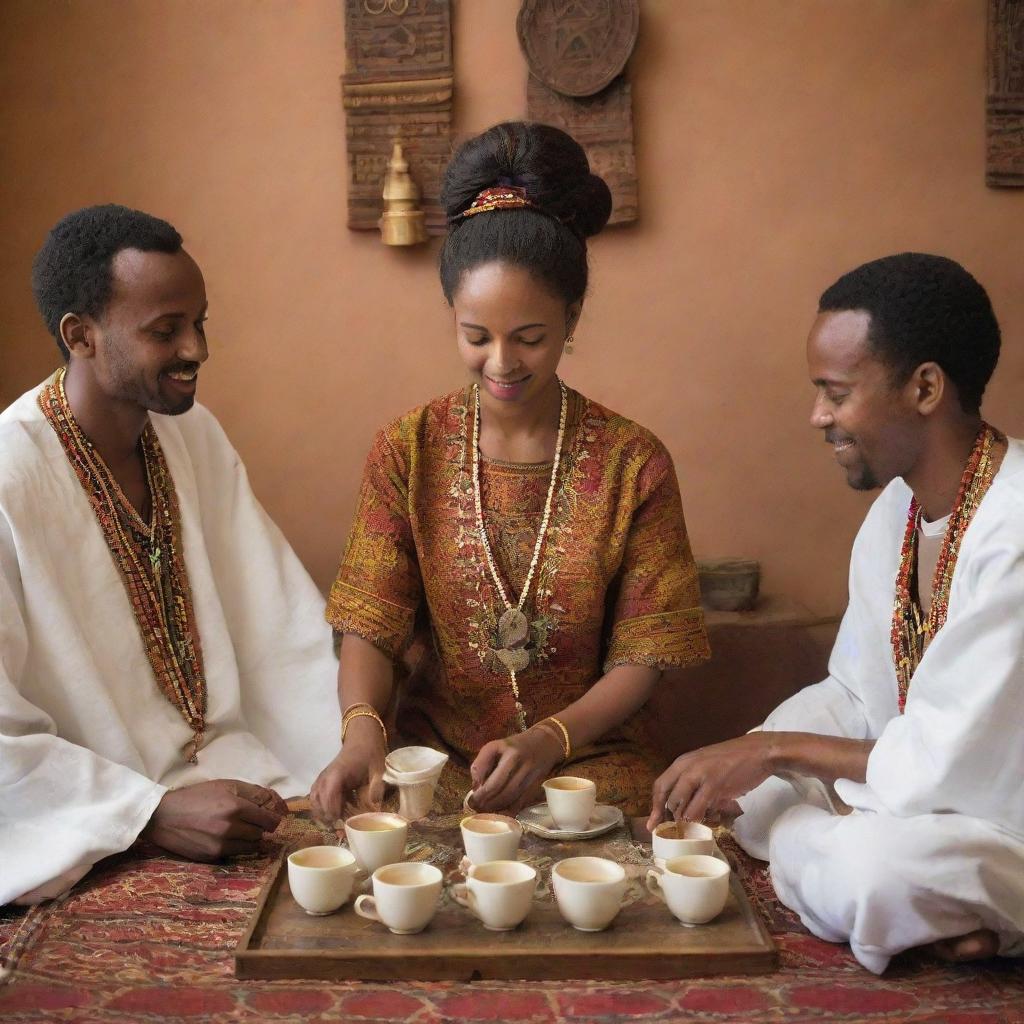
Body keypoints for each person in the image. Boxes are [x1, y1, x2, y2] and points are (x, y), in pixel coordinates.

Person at [312, 122, 709, 822]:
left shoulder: (632, 461)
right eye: (476, 336)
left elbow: (645, 654)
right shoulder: (407, 450)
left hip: (588, 757)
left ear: (572, 317)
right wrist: (362, 732)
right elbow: (370, 625)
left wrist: (551, 739)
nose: (502, 363)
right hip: (439, 757)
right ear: (453, 317)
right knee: (394, 830)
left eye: (530, 338)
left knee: (606, 832)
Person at [647, 253, 1024, 973]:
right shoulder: (897, 512)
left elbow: (956, 764)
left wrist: (775, 754)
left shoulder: (1014, 532)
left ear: (924, 387)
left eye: (836, 392)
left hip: (1001, 819)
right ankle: (944, 915)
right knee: (751, 801)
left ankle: (947, 905)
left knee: (875, 872)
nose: (818, 415)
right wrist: (750, 753)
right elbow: (856, 694)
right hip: (922, 796)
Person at [0, 205, 339, 906]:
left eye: (200, 322)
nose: (197, 349)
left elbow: (277, 629)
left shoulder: (191, 435)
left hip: (250, 779)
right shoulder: (9, 477)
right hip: (99, 827)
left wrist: (345, 749)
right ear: (80, 336)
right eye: (166, 331)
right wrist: (148, 815)